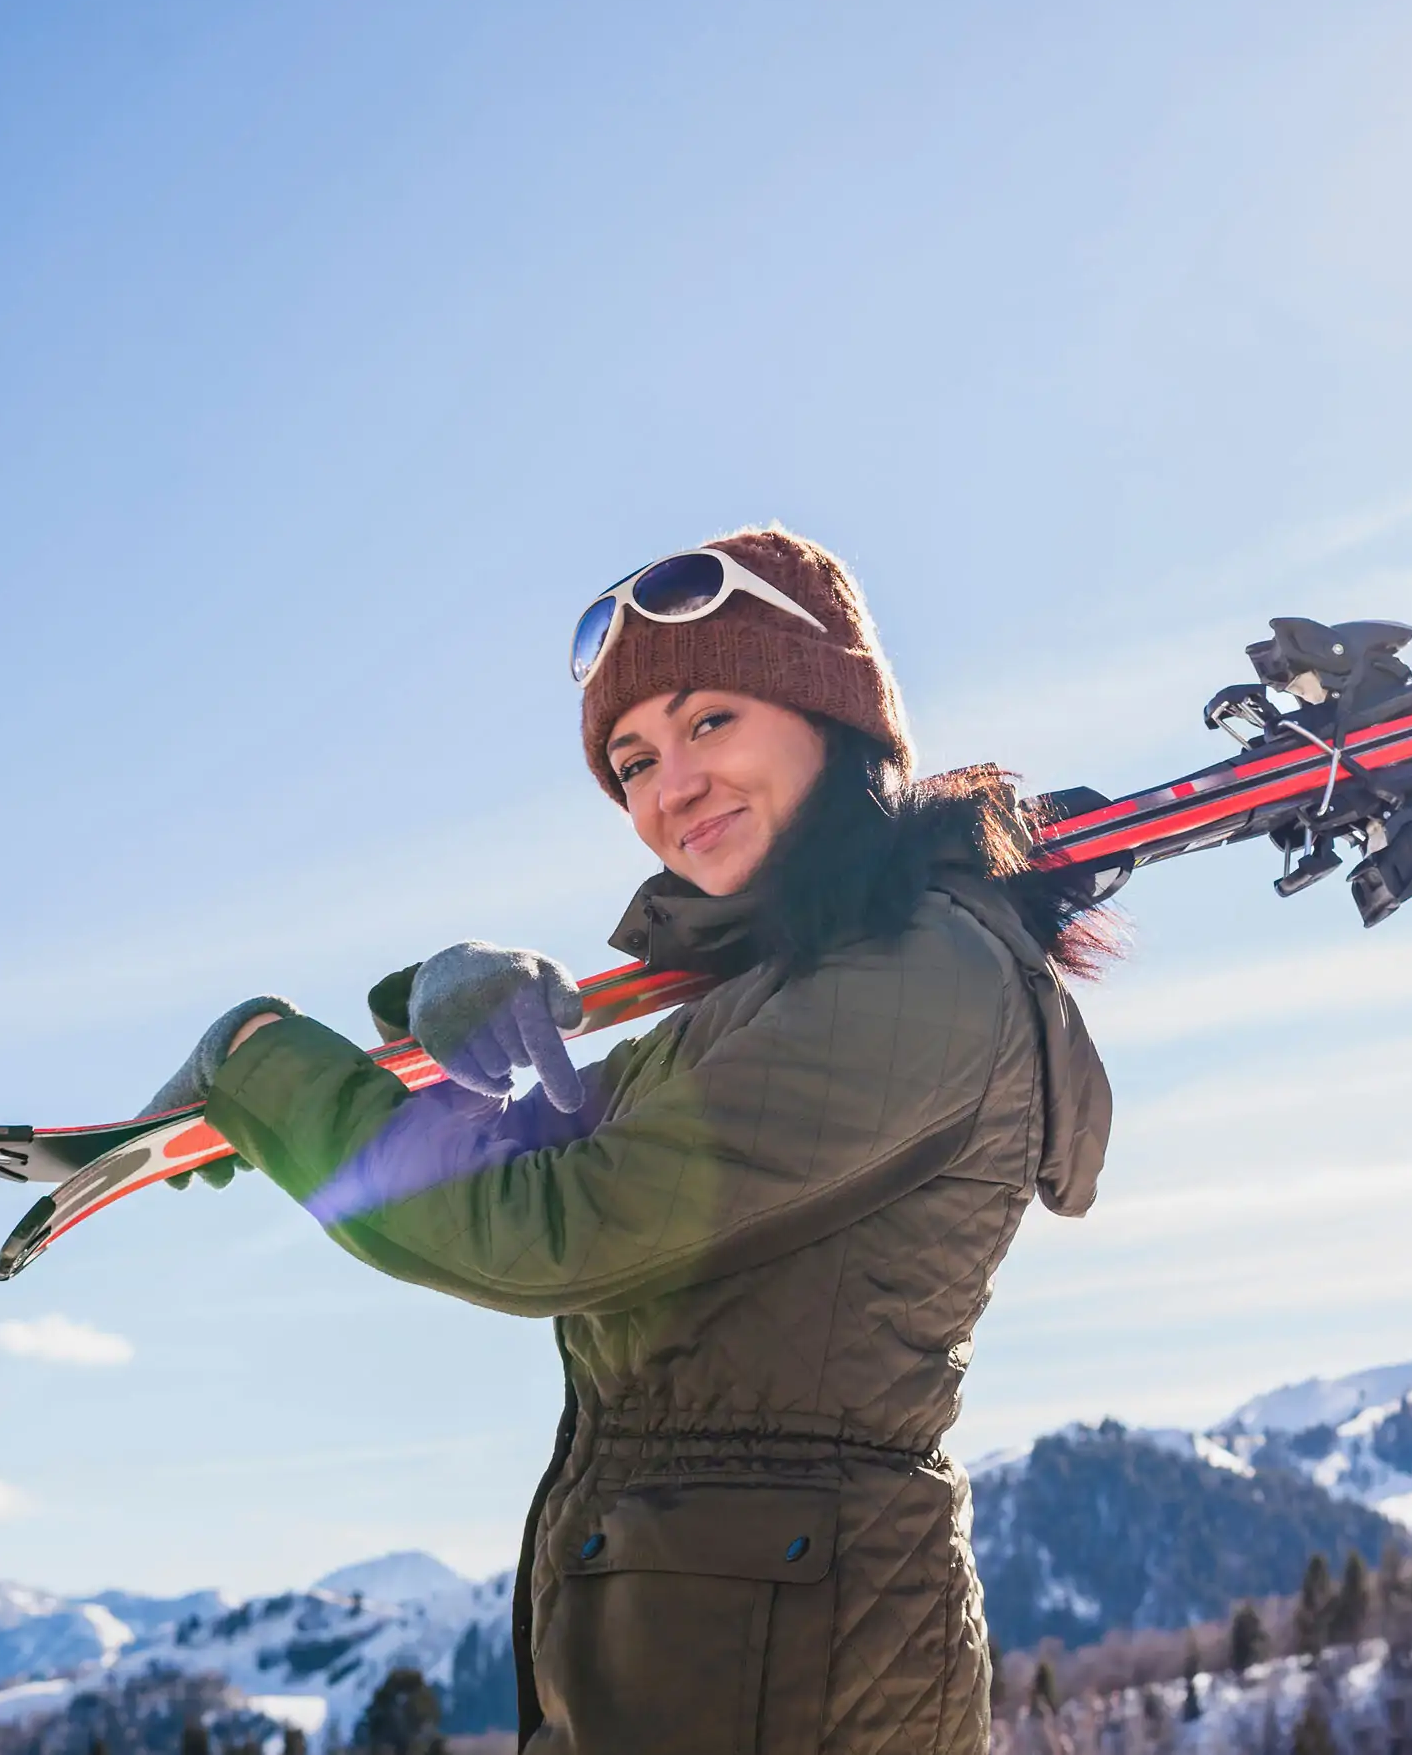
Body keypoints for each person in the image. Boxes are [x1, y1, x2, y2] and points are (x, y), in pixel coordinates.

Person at [144, 527, 1116, 1754]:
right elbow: (554, 1156)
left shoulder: (916, 977)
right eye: (634, 758)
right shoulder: (766, 1000)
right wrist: (447, 1020)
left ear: (837, 716)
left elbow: (558, 1229)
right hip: (702, 1657)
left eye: (712, 721)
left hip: (794, 1685)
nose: (673, 786)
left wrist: (266, 1067)